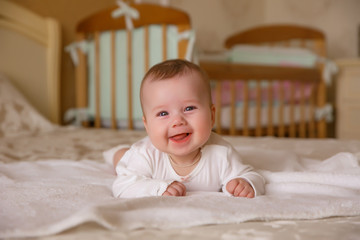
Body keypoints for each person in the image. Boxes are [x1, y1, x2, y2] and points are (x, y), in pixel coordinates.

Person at [103, 59, 265, 198]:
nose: (177, 121)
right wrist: (158, 188)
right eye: (163, 113)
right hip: (135, 156)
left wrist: (245, 183)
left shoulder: (221, 154)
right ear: (147, 126)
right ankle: (117, 153)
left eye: (189, 108)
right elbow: (122, 186)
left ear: (211, 115)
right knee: (123, 160)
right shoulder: (144, 154)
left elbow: (252, 175)